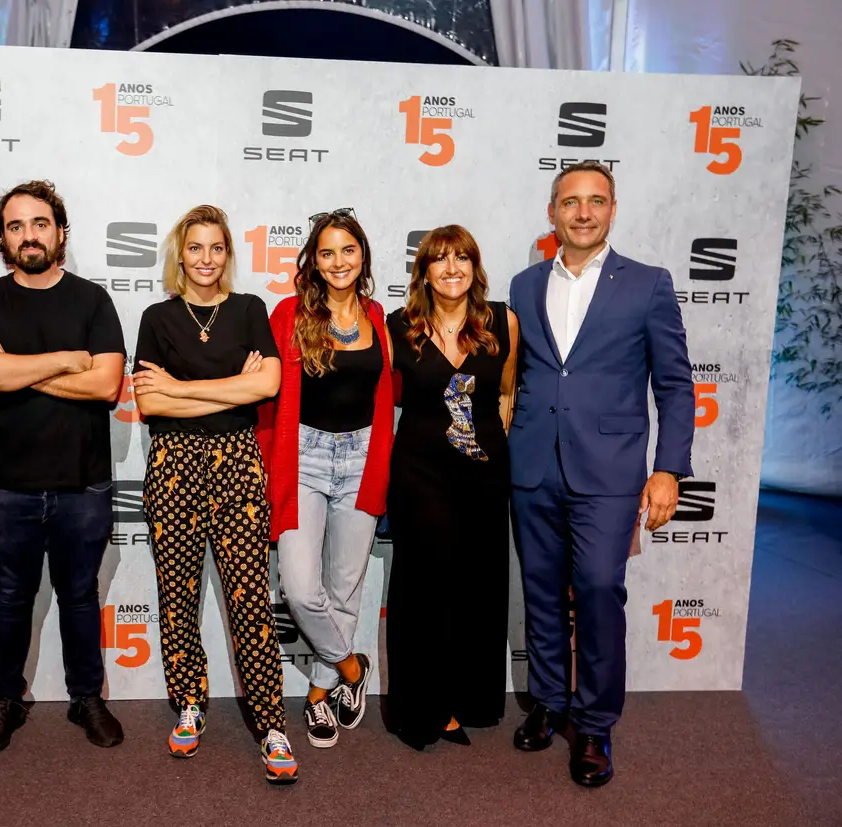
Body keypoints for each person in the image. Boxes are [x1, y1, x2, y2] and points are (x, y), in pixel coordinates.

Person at [509, 161, 694, 786]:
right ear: (552, 213)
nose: (583, 213)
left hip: (611, 471)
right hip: (534, 464)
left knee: (596, 591)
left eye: (595, 201)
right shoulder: (524, 285)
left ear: (613, 209)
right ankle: (548, 701)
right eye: (570, 202)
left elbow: (675, 385)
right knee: (540, 592)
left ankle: (593, 725)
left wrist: (668, 468)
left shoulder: (648, 284)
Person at [0, 180, 126, 755]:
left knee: (80, 596)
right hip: (6, 486)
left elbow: (105, 385)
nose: (28, 235)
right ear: (3, 238)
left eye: (39, 223)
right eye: (15, 226)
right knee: (10, 597)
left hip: (83, 483)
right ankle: (4, 699)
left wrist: (17, 367)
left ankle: (87, 698)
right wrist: (64, 361)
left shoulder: (92, 301)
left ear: (60, 232)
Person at [131, 205, 297, 784]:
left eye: (217, 247)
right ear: (181, 254)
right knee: (177, 596)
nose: (206, 259)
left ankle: (271, 724)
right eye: (196, 247)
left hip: (238, 463)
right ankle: (190, 704)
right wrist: (232, 388)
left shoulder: (249, 310)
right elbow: (149, 401)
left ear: (228, 253)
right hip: (172, 465)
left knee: (250, 600)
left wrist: (181, 388)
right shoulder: (157, 317)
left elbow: (268, 384)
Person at [258, 208, 394, 749]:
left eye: (348, 250)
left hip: (362, 460)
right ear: (313, 261)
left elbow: (388, 394)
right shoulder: (289, 314)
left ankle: (319, 695)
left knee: (344, 588)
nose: (339, 262)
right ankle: (351, 668)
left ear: (363, 256)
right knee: (299, 587)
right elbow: (268, 399)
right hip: (303, 460)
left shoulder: (378, 315)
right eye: (327, 252)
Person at [385, 224, 518, 750]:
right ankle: (423, 707)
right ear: (424, 272)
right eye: (439, 259)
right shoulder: (399, 326)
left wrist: (487, 446)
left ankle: (470, 699)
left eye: (462, 258)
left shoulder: (502, 321)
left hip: (484, 475)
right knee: (423, 588)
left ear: (474, 268)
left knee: (477, 586)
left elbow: (506, 392)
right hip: (419, 475)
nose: (452, 268)